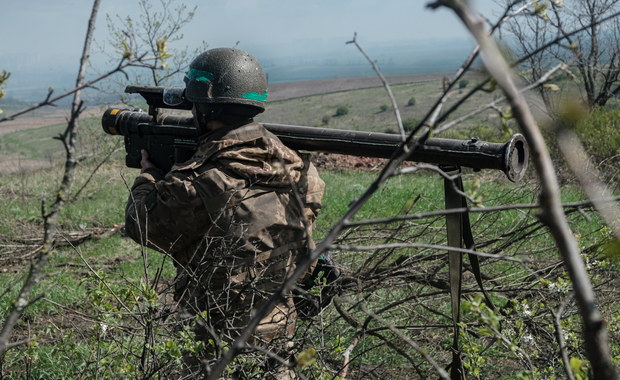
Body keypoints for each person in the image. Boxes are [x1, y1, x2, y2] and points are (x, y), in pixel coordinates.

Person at [124, 48, 325, 377]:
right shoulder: (301, 170)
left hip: (214, 338)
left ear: (203, 107)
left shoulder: (199, 183)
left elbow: (141, 225)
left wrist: (150, 177)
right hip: (280, 327)